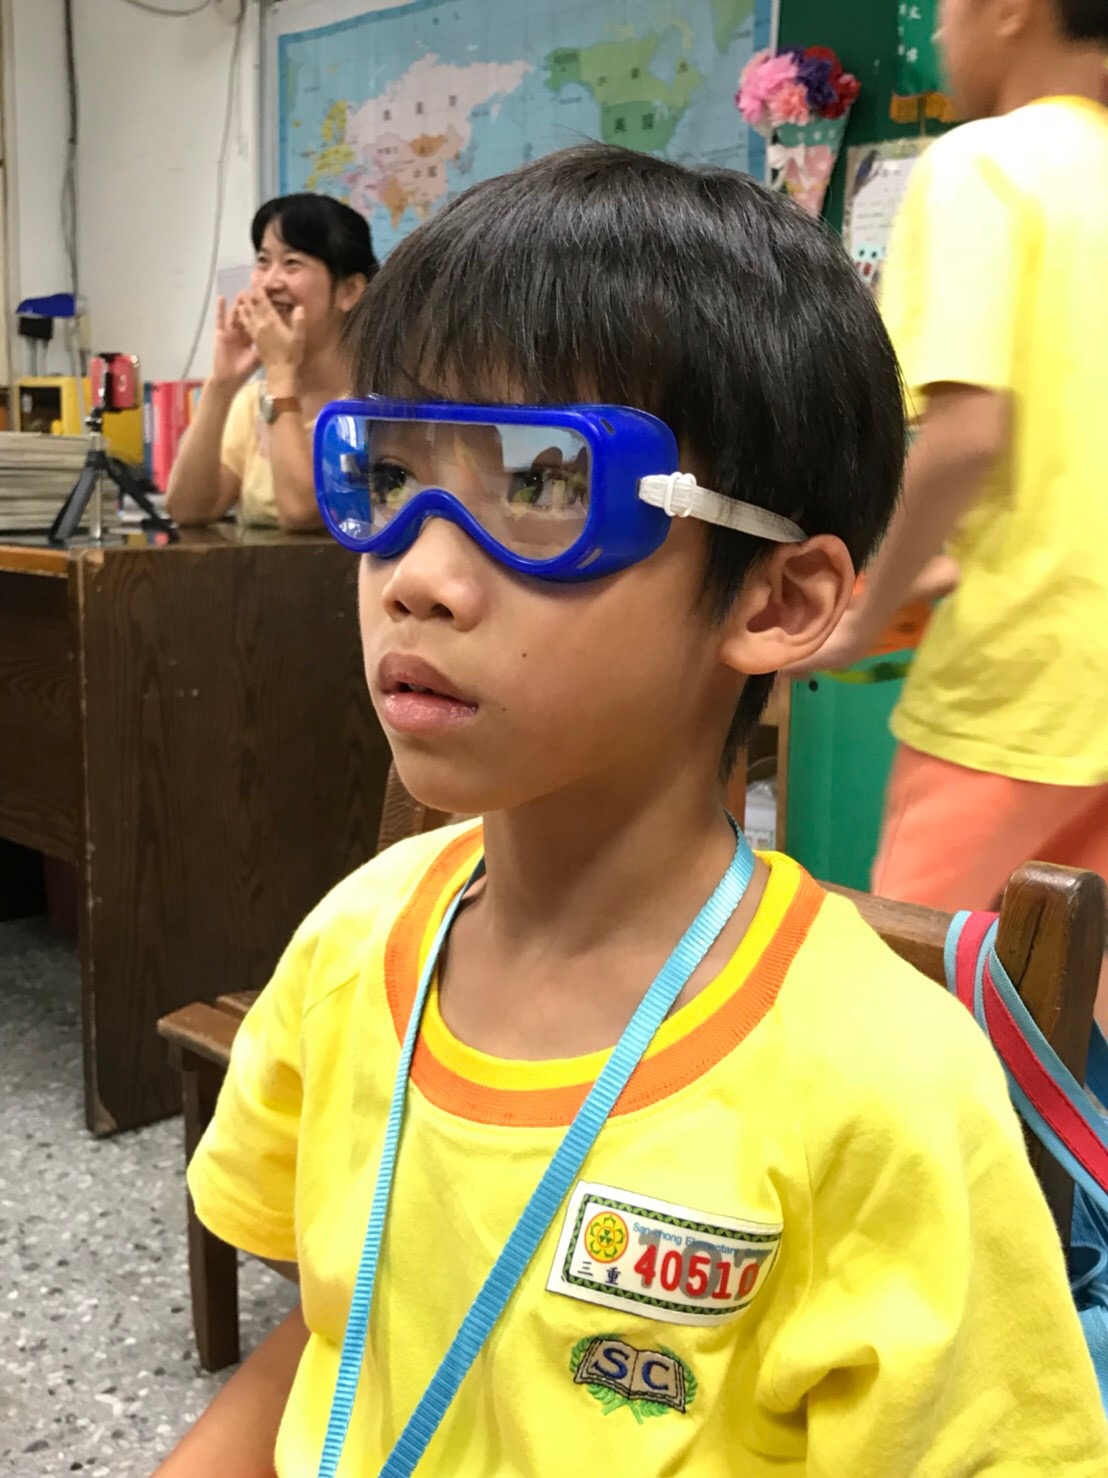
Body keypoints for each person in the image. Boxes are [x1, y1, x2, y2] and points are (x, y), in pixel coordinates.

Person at [157, 146, 1108, 1476]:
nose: (416, 575)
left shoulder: (885, 1093)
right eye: (391, 473)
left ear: (776, 598)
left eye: (545, 482)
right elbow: (338, 1331)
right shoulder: (354, 942)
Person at [798, 0, 1108, 924]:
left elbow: (968, 437)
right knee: (1078, 999)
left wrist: (868, 609)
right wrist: (947, 563)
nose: (937, 33)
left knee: (932, 987)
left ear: (1011, 11)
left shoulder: (983, 165)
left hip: (1018, 683)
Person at [166, 193, 377, 530]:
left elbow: (303, 513)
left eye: (292, 263)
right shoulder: (253, 402)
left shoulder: (375, 403)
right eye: (263, 262)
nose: (269, 282)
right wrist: (221, 385)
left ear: (349, 291)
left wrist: (280, 373)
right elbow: (188, 509)